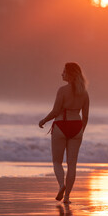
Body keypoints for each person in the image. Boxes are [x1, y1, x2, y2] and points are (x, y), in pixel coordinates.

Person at [39, 62, 89, 204]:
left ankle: (61, 185)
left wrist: (43, 120)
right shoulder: (84, 93)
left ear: (70, 75)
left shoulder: (62, 90)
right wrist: (81, 131)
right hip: (77, 126)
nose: (62, 74)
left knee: (57, 161)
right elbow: (85, 116)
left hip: (61, 125)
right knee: (72, 165)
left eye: (64, 72)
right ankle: (67, 198)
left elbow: (55, 111)